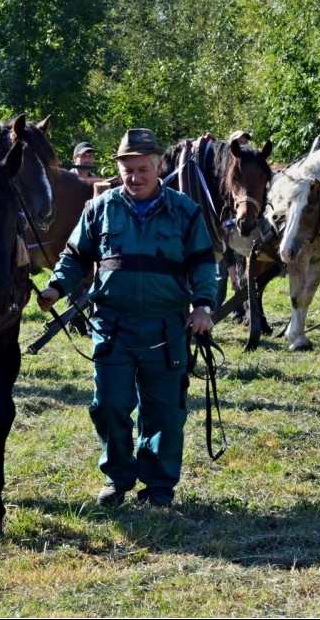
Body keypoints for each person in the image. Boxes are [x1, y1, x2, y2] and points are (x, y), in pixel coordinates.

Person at [37, 128, 216, 508]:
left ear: (158, 166)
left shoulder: (185, 211)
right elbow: (75, 256)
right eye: (127, 170)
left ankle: (158, 487)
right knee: (110, 405)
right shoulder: (99, 209)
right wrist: (56, 287)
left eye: (142, 169)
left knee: (165, 412)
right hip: (113, 325)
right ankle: (118, 478)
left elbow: (203, 263)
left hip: (167, 326)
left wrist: (202, 306)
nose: (134, 177)